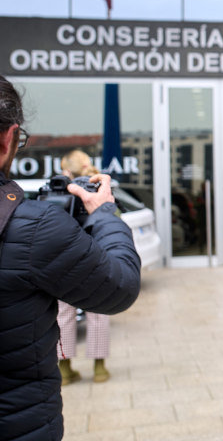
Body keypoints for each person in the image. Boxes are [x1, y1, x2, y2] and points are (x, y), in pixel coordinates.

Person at [0, 76, 141, 440]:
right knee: (94, 316)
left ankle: (67, 365)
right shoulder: (33, 228)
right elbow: (120, 285)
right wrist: (105, 214)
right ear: (7, 140)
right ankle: (97, 365)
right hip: (18, 425)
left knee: (64, 315)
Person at [55, 150, 113, 385]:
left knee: (63, 315)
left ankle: (65, 370)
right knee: (98, 312)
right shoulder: (100, 189)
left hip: (64, 261)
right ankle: (99, 369)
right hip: (94, 258)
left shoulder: (58, 193)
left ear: (66, 170)